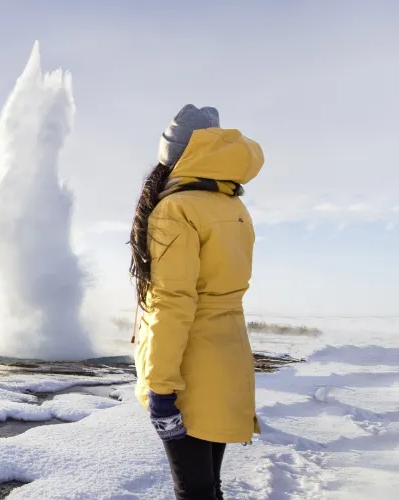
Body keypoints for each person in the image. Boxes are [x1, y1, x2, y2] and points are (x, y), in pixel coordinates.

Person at [130, 104, 264, 500]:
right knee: (208, 487)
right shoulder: (232, 205)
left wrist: (161, 387)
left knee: (192, 491)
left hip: (189, 370)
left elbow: (173, 301)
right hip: (228, 361)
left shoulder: (175, 209)